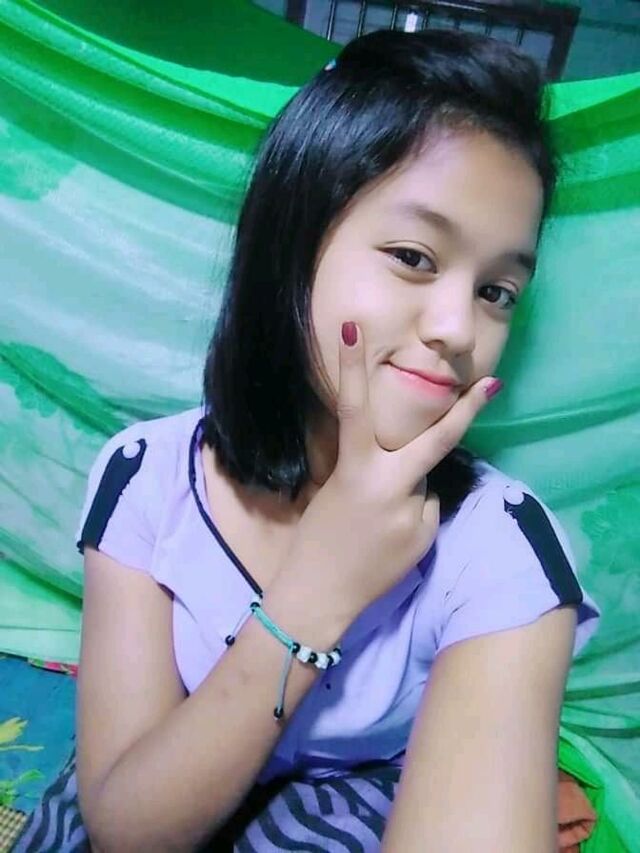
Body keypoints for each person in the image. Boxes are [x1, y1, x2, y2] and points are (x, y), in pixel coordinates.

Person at [43, 27, 601, 852]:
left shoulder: (501, 546)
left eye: (497, 290)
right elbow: (129, 828)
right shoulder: (146, 478)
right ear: (290, 248)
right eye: (413, 256)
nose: (459, 328)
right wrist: (321, 584)